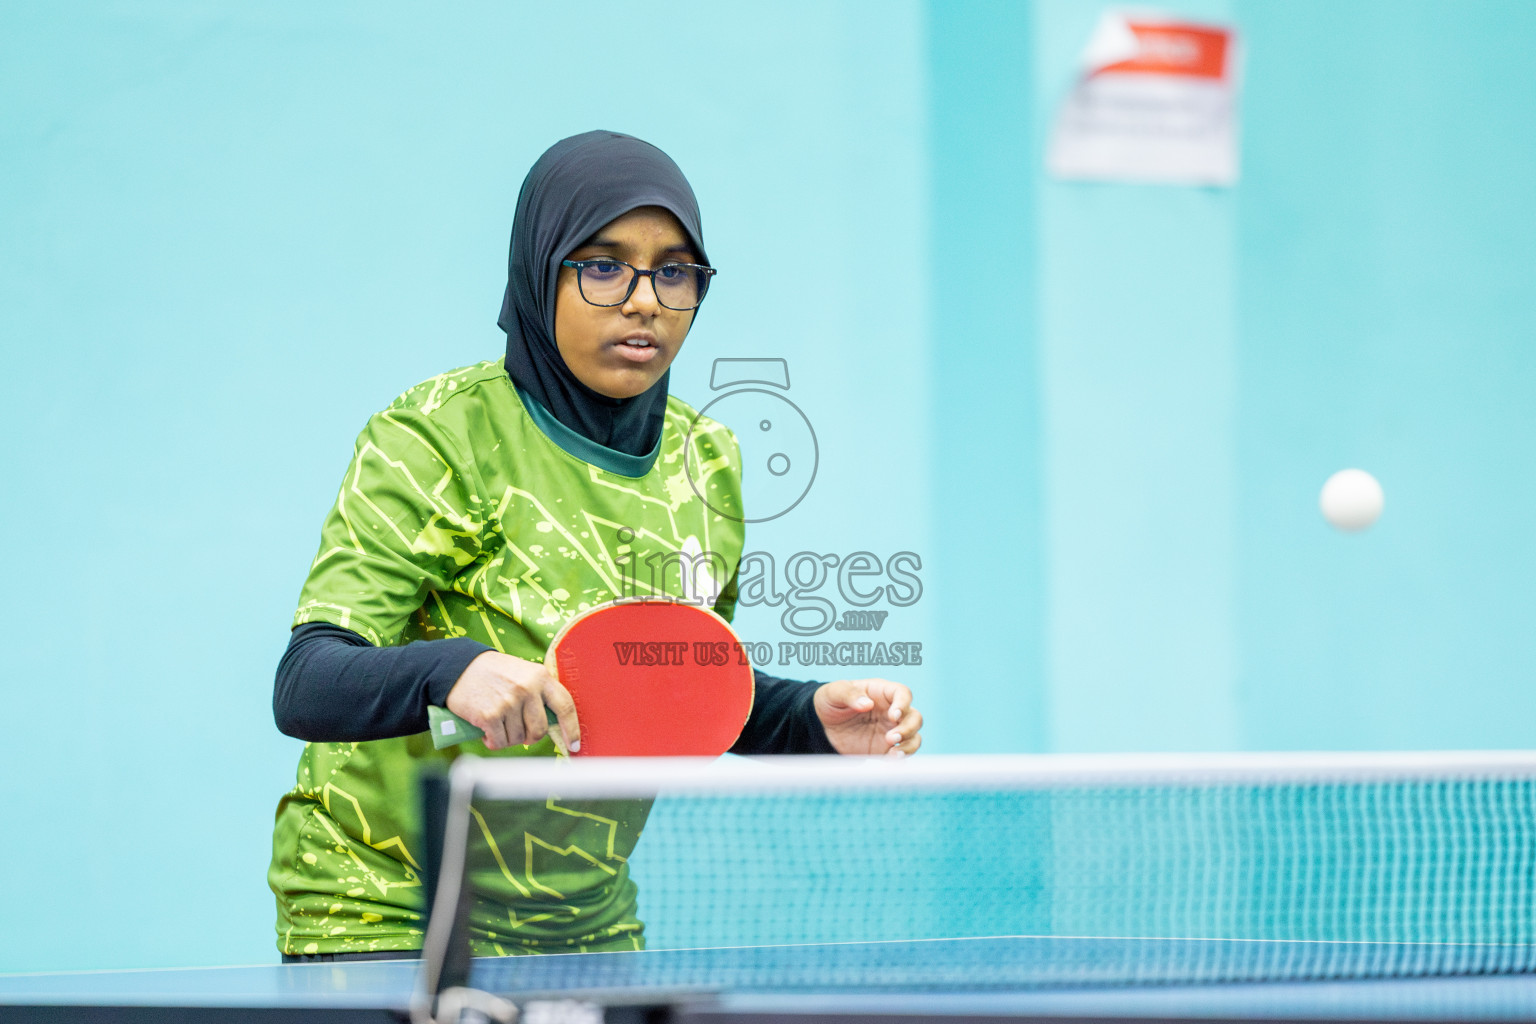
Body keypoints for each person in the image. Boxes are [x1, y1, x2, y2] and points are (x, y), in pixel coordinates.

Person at [267, 131, 924, 962]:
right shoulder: (438, 437)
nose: (644, 299)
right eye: (604, 265)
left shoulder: (706, 459)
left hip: (589, 927)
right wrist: (451, 670)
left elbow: (670, 688)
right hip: (388, 915)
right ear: (541, 273)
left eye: (674, 271)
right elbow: (307, 682)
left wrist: (808, 719)